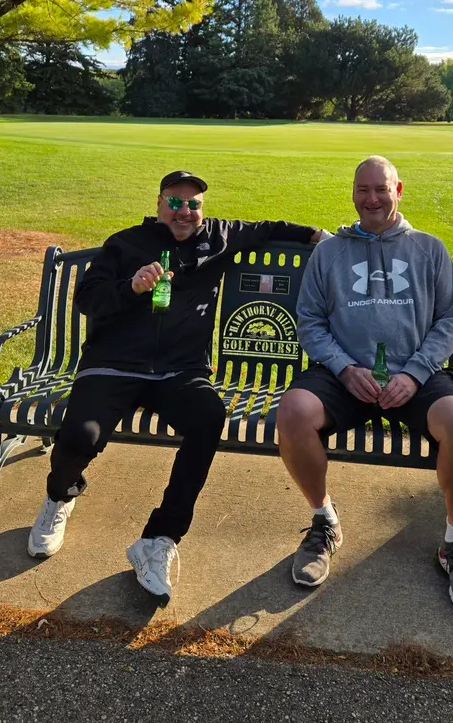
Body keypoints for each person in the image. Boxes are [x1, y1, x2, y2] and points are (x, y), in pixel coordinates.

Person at [28, 169, 325, 603]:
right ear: (158, 204)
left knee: (208, 418)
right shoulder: (125, 243)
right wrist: (131, 286)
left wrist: (322, 237)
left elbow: (269, 228)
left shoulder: (218, 237)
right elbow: (87, 300)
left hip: (179, 371)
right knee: (80, 436)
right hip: (113, 365)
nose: (184, 211)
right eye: (174, 202)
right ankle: (60, 495)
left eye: (193, 204)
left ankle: (159, 539)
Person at [277, 156, 453, 617]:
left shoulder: (429, 249)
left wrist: (414, 374)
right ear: (353, 193)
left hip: (414, 373)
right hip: (345, 375)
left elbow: (449, 320)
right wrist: (343, 368)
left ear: (398, 191)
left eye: (381, 189)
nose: (371, 199)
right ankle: (324, 521)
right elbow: (309, 320)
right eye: (363, 189)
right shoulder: (329, 253)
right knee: (292, 411)